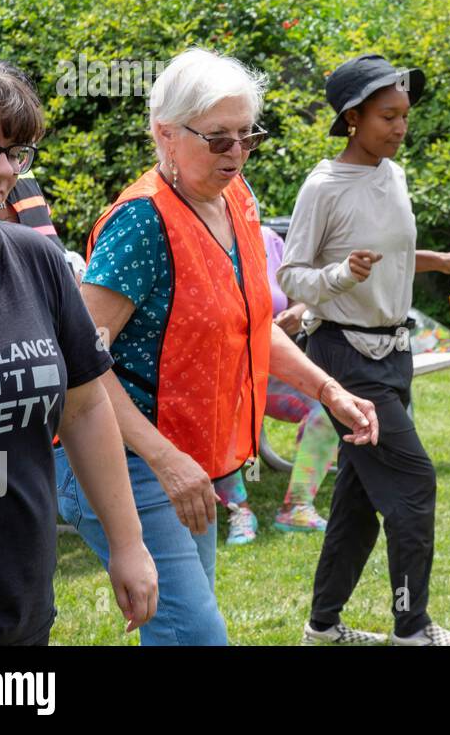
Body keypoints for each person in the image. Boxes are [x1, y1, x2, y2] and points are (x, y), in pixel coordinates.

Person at [67, 48, 378, 645]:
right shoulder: (140, 223)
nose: (236, 154)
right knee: (197, 634)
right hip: (123, 458)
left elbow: (250, 323)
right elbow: (83, 359)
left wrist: (327, 390)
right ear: (166, 134)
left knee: (184, 631)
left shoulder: (236, 199)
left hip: (188, 459)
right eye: (218, 139)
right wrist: (164, 458)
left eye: (247, 136)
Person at [0, 49, 156, 644]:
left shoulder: (34, 260)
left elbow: (86, 406)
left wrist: (128, 543)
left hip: (20, 611)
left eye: (15, 152)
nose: (3, 170)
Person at [280, 53, 450, 646]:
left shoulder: (391, 174)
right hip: (345, 356)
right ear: (352, 118)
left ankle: (322, 625)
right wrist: (341, 276)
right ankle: (413, 627)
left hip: (393, 355)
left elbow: (387, 251)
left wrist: (437, 260)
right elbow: (294, 276)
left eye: (403, 115)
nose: (400, 127)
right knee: (414, 482)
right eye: (387, 117)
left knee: (357, 496)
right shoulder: (324, 186)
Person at [214, 224, 341, 545]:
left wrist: (296, 313)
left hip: (270, 372)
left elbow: (301, 297)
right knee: (220, 418)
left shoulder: (268, 239)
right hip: (219, 375)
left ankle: (298, 506)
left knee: (325, 409)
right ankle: (239, 511)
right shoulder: (198, 239)